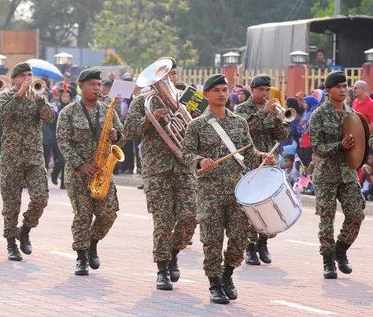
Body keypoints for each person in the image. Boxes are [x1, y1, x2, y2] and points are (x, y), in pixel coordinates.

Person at [182, 74, 274, 304]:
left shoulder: (239, 122)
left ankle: (227, 274)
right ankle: (214, 283)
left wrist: (263, 156)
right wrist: (201, 160)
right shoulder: (197, 125)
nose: (222, 94)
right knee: (212, 240)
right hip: (209, 192)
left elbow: (249, 153)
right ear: (206, 95)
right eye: (216, 91)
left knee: (239, 238)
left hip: (236, 190)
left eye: (225, 90)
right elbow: (186, 154)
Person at [123, 58, 197, 290]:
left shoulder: (191, 96)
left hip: (185, 166)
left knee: (190, 216)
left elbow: (211, 123)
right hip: (157, 170)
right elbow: (128, 130)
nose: (170, 79)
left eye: (173, 74)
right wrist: (149, 120)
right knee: (163, 221)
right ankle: (162, 268)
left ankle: (174, 252)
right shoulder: (144, 101)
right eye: (167, 75)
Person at [57, 68, 126, 276]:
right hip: (79, 174)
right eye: (92, 85)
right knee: (83, 216)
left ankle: (93, 243)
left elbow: (122, 137)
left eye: (99, 85)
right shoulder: (68, 112)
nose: (97, 88)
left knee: (109, 213)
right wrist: (79, 164)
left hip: (102, 171)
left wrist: (116, 135)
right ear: (81, 87)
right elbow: (63, 141)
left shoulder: (108, 110)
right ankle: (81, 256)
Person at [309, 71, 365, 279]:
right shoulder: (318, 115)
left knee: (356, 214)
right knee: (326, 219)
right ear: (328, 91)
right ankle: (327, 261)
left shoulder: (352, 114)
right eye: (338, 87)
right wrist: (339, 146)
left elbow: (359, 143)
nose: (343, 90)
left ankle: (340, 250)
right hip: (326, 175)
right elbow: (318, 147)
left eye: (345, 86)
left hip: (348, 173)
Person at [0, 62, 55, 261]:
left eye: (30, 75)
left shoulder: (37, 97)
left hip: (34, 156)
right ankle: (11, 243)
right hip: (11, 158)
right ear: (15, 79)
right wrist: (20, 93)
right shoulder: (5, 96)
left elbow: (49, 118)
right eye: (24, 75)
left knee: (41, 198)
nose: (28, 79)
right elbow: (4, 113)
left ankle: (26, 229)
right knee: (11, 203)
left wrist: (39, 100)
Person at [235, 74, 289, 266]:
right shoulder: (241, 109)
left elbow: (282, 134)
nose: (265, 94)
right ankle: (250, 247)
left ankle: (263, 242)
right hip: (250, 162)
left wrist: (277, 119)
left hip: (270, 161)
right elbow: (243, 130)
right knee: (250, 208)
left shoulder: (274, 109)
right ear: (252, 90)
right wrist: (263, 113)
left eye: (267, 90)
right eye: (261, 90)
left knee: (269, 206)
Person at [50, 85, 74, 189]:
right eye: (63, 96)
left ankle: (64, 182)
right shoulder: (55, 106)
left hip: (69, 137)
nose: (65, 98)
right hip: (57, 137)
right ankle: (55, 173)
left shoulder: (73, 107)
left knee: (66, 160)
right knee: (60, 159)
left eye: (67, 96)